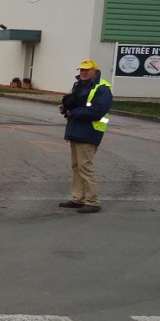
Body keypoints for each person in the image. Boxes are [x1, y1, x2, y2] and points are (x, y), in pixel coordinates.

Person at [58, 59, 113, 214]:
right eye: (82, 70)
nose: (83, 72)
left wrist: (73, 112)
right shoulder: (78, 85)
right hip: (76, 129)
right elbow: (76, 103)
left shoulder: (102, 88)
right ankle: (78, 198)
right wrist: (65, 108)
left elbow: (98, 111)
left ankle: (93, 201)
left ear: (95, 71)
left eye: (87, 70)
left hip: (90, 131)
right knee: (77, 167)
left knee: (85, 167)